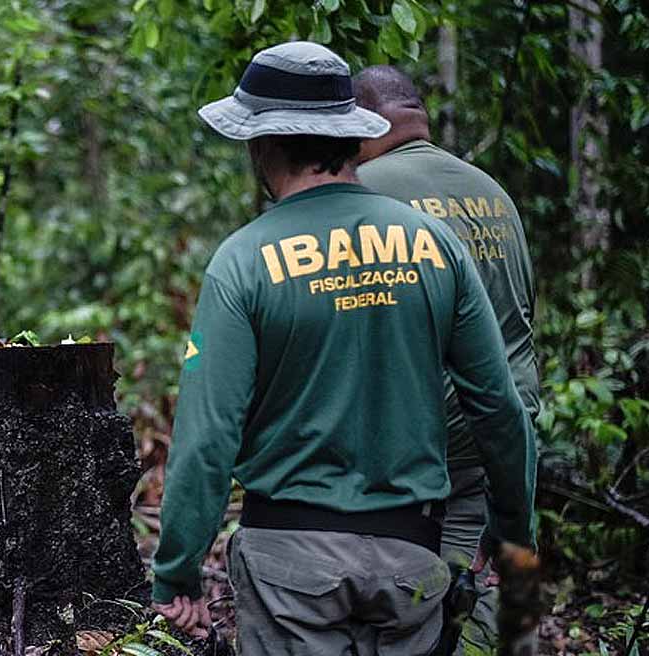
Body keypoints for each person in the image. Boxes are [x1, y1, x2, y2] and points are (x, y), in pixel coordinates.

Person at [150, 42, 536, 656]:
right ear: (352, 137)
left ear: (262, 144)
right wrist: (513, 529)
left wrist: (177, 572)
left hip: (288, 568)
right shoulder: (435, 244)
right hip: (412, 557)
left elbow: (208, 438)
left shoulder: (243, 261)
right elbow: (498, 405)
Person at [354, 65, 541, 654]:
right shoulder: (494, 193)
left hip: (409, 451)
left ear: (358, 125)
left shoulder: (360, 193)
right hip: (499, 440)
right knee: (468, 589)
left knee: (399, 614)